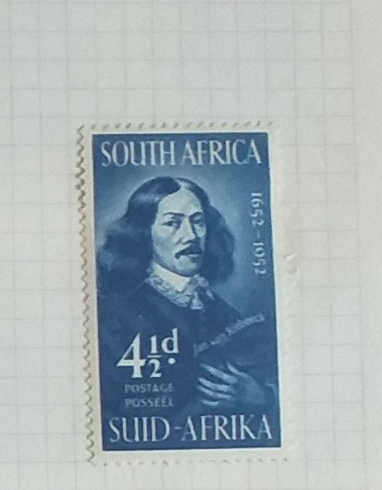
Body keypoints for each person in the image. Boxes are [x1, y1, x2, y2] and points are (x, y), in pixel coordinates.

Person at [96, 174, 276, 419]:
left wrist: (262, 397)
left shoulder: (222, 311)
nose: (191, 235)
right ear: (144, 233)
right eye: (173, 223)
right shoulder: (118, 315)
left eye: (198, 222)